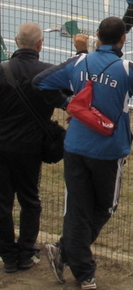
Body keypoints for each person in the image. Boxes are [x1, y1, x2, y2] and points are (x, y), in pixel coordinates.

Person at [33, 17, 133, 290]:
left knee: (78, 209)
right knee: (105, 207)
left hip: (76, 145)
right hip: (108, 150)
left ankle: (68, 254)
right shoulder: (126, 68)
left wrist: (69, 104)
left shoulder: (79, 62)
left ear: (97, 36)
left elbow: (41, 83)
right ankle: (83, 270)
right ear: (123, 39)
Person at [0, 24, 57, 274]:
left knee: (2, 202)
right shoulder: (48, 73)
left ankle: (8, 256)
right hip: (31, 149)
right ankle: (26, 252)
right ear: (40, 44)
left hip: (2, 146)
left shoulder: (1, 71)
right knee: (30, 200)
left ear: (15, 41)